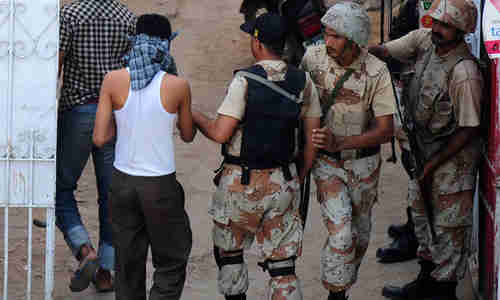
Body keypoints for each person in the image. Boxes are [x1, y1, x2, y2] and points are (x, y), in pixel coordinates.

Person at [193, 12, 321, 300]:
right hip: (283, 182)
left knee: (230, 255)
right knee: (283, 267)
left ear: (257, 43)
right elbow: (312, 138)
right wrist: (297, 176)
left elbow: (220, 133)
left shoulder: (244, 81)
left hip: (240, 184)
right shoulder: (304, 81)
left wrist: (195, 116)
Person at [369, 0, 483, 298]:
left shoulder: (464, 73)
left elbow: (469, 129)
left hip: (450, 167)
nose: (438, 29)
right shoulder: (426, 43)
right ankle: (423, 285)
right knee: (423, 223)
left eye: (446, 26)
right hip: (425, 157)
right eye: (437, 22)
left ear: (461, 31)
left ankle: (443, 292)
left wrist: (433, 165)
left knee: (448, 232)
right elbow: (386, 51)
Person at [93, 14, 195, 300]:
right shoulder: (177, 85)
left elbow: (100, 138)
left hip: (122, 182)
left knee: (127, 263)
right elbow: (187, 135)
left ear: (135, 41)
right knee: (172, 258)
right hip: (160, 185)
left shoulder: (112, 80)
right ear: (166, 44)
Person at [301, 2, 395, 299]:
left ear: (354, 40)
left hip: (364, 167)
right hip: (327, 165)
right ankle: (336, 295)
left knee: (359, 237)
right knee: (341, 236)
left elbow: (385, 130)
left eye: (335, 37)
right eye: (326, 35)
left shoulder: (376, 72)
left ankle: (340, 286)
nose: (327, 42)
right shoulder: (313, 59)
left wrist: (342, 142)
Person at [57, 0, 136, 292]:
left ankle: (83, 250)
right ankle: (105, 272)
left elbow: (56, 64)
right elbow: (132, 72)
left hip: (76, 113)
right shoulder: (127, 18)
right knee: (110, 195)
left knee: (59, 188)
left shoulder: (70, 15)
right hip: (114, 115)